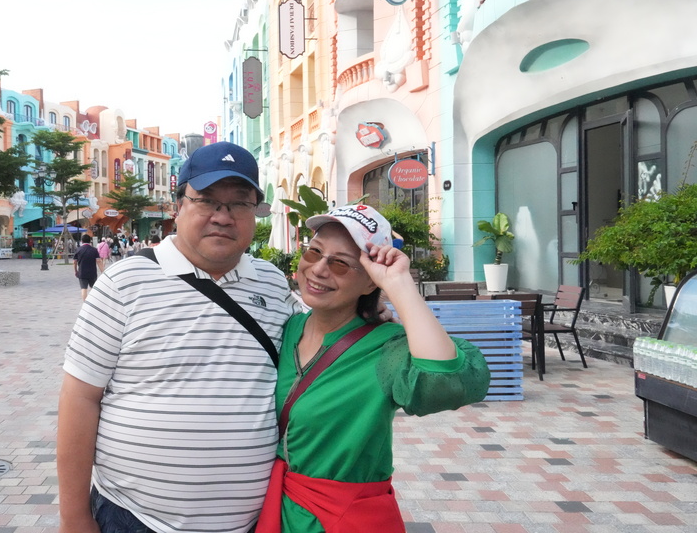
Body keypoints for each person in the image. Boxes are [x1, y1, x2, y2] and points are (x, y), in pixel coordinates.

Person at [58, 142, 304, 533]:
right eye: (207, 200)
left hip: (250, 523)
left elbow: (320, 345)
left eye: (239, 203)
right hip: (133, 519)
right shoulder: (124, 283)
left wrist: (369, 307)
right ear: (179, 206)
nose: (223, 216)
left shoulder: (273, 285)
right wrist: (74, 519)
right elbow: (80, 397)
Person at [255, 204, 491, 533]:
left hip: (343, 519)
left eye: (340, 263)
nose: (319, 269)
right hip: (277, 510)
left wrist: (399, 284)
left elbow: (447, 380)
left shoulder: (385, 347)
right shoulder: (287, 327)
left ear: (370, 282)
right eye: (314, 252)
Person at [73, 234, 101, 301]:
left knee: (84, 289)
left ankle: (85, 303)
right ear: (90, 241)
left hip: (82, 272)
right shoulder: (94, 250)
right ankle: (93, 301)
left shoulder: (78, 250)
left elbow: (74, 262)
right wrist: (102, 271)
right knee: (93, 288)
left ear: (82, 241)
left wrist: (76, 271)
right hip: (92, 272)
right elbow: (98, 261)